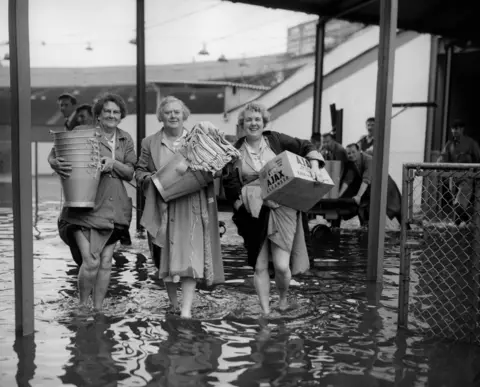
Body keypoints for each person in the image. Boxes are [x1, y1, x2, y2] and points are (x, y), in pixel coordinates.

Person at [222, 102, 325, 315]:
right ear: (242, 124)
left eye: (257, 119)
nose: (253, 123)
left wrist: (314, 165)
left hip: (282, 208)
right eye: (248, 120)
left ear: (264, 122)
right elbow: (230, 186)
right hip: (253, 212)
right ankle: (266, 311)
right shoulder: (233, 151)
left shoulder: (276, 139)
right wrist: (246, 204)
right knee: (259, 266)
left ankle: (283, 299)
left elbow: (306, 145)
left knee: (281, 266)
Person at [135, 95, 224, 319]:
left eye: (177, 112)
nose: (173, 115)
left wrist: (215, 170)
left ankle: (185, 310)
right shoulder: (149, 142)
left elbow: (217, 167)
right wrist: (154, 180)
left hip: (192, 204)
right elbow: (139, 172)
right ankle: (174, 304)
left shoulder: (199, 139)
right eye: (168, 112)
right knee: (165, 258)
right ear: (161, 117)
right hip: (163, 205)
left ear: (184, 115)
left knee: (190, 256)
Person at [52, 93, 137, 311]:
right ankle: (82, 306)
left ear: (121, 115)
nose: (111, 115)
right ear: (97, 115)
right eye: (107, 111)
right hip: (83, 207)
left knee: (106, 262)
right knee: (90, 261)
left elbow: (129, 172)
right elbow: (56, 150)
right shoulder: (83, 132)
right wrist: (54, 163)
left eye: (116, 112)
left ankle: (98, 309)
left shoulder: (126, 139)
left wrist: (113, 163)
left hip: (113, 208)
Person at [339, 143, 403, 227]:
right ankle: (366, 228)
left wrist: (358, 196)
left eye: (353, 152)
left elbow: (366, 180)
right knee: (365, 208)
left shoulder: (369, 160)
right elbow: (347, 180)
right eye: (349, 153)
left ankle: (407, 230)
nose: (351, 155)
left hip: (387, 187)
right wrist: (338, 195)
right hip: (373, 189)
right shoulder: (353, 164)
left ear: (359, 151)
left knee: (397, 210)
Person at [437, 119, 480, 224]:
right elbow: (443, 158)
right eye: (452, 129)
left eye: (456, 128)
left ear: (462, 129)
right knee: (456, 202)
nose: (454, 131)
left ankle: (463, 222)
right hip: (453, 175)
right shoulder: (450, 144)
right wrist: (437, 165)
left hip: (467, 175)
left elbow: (478, 157)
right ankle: (462, 222)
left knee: (460, 201)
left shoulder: (470, 143)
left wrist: (475, 171)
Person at [48, 103, 95, 178]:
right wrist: (51, 162)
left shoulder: (102, 135)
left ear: (93, 117)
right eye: (78, 117)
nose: (79, 120)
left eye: (82, 116)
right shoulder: (74, 133)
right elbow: (53, 152)